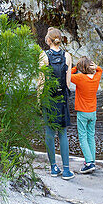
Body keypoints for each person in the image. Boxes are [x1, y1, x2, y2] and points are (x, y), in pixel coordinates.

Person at [38, 27, 73, 180]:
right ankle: (66, 170)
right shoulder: (68, 56)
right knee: (63, 133)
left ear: (48, 40)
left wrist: (39, 100)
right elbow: (68, 82)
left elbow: (41, 82)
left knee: (50, 133)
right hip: (62, 97)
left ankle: (53, 167)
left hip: (48, 97)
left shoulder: (43, 56)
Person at [67, 55, 103, 173]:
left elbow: (67, 76)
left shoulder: (80, 78)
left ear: (81, 68)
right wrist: (97, 67)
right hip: (93, 112)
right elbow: (100, 70)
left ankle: (88, 163)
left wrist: (74, 68)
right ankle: (92, 160)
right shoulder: (96, 77)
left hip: (82, 112)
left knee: (82, 137)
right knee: (91, 136)